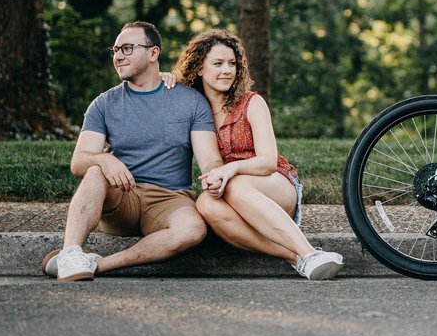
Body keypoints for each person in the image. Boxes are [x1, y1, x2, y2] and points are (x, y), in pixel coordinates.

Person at [42, 21, 220, 281]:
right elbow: (78, 162)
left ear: (153, 53)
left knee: (192, 229)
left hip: (170, 199)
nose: (118, 56)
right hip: (122, 196)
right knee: (94, 172)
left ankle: (99, 264)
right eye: (115, 50)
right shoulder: (103, 104)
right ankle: (70, 253)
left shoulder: (190, 101)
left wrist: (216, 175)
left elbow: (210, 160)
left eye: (126, 48)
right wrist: (104, 160)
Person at [170, 28, 344, 280]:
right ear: (198, 68)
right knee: (205, 203)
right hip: (232, 193)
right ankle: (294, 257)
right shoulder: (195, 110)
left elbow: (268, 162)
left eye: (232, 63)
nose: (227, 70)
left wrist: (230, 170)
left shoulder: (252, 102)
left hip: (275, 185)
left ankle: (307, 252)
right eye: (217, 64)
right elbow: (159, 90)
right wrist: (166, 77)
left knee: (236, 184)